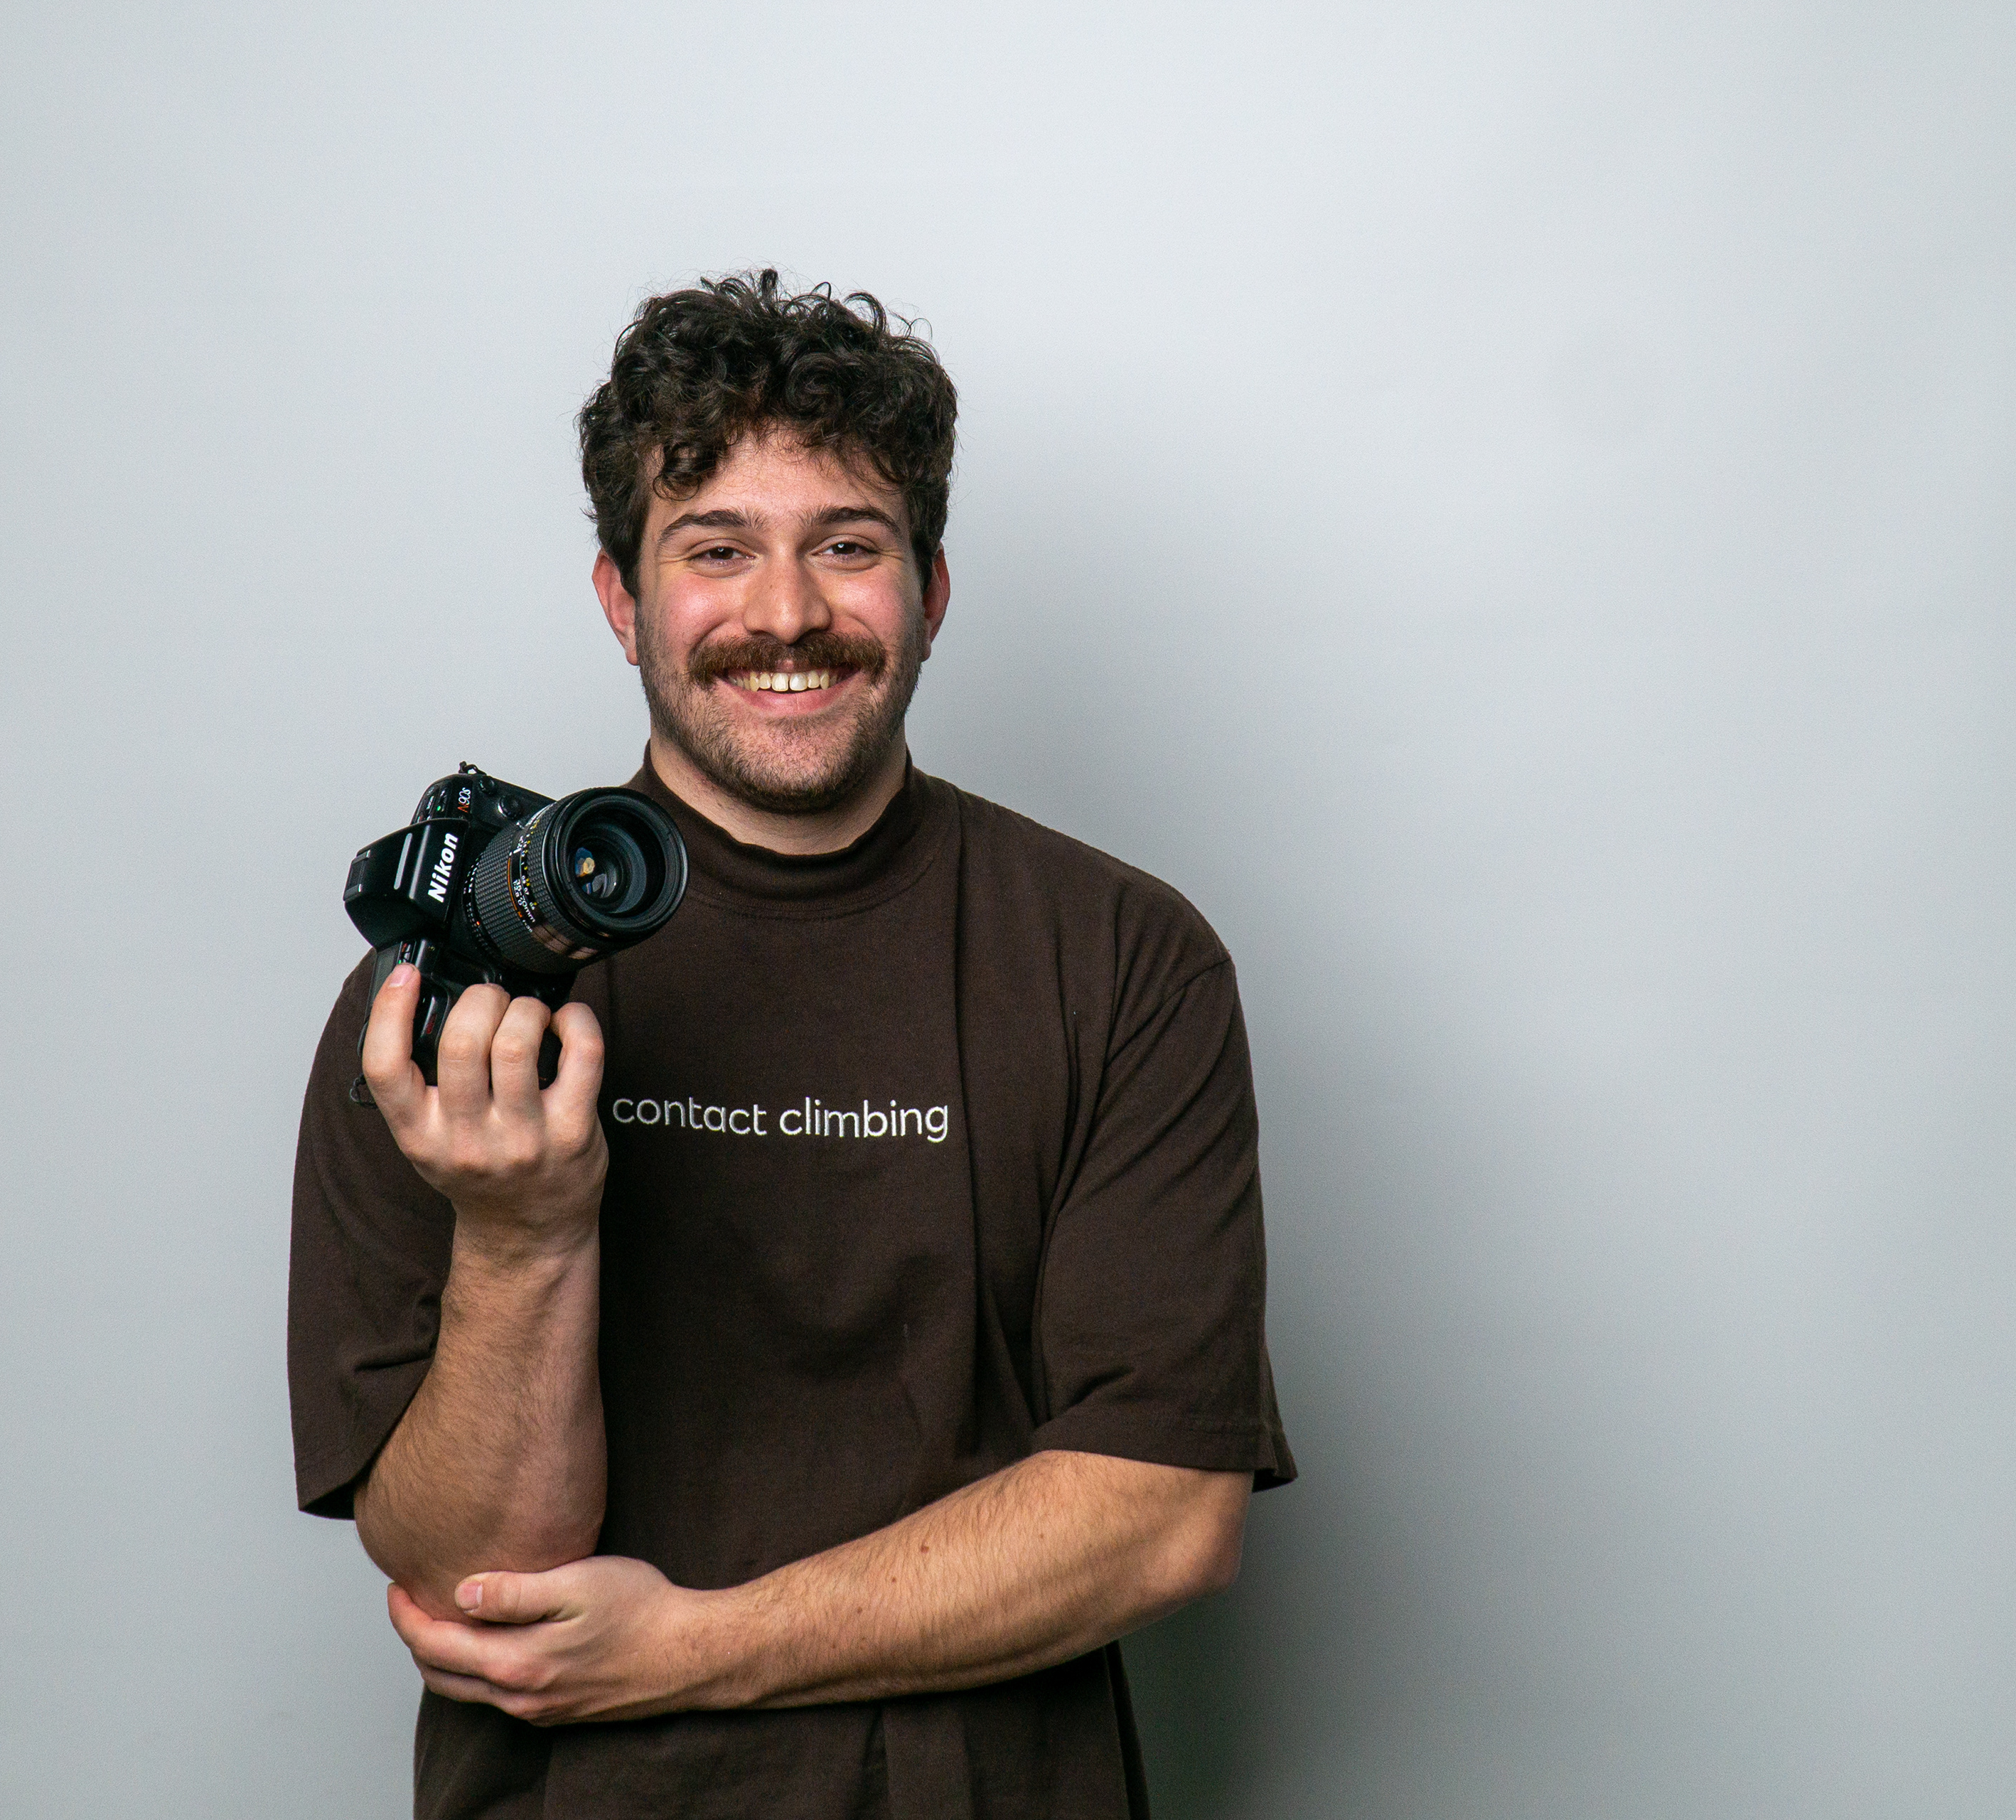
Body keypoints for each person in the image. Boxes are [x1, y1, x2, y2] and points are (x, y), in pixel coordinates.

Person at [289, 270, 1294, 1819]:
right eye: (716, 549)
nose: (787, 613)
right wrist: (526, 1230)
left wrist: (697, 1648)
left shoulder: (1121, 956)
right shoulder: (458, 997)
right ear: (623, 599)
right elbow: (481, 1578)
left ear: (931, 588)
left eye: (848, 544)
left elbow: (1161, 1513)